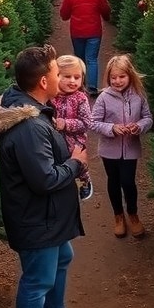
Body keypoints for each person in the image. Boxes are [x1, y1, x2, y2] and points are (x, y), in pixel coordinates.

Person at [0, 43, 96, 308]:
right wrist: (75, 163)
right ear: (44, 81)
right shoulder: (29, 127)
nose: (61, 77)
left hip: (48, 216)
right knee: (37, 279)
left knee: (63, 258)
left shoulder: (35, 110)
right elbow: (44, 179)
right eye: (57, 73)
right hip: (36, 218)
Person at [90, 53, 153, 239]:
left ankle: (133, 215)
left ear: (130, 76)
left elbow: (148, 118)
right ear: (108, 78)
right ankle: (118, 216)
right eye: (113, 77)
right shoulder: (104, 98)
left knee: (128, 182)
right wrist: (112, 128)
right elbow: (93, 122)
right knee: (114, 181)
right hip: (109, 150)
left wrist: (139, 126)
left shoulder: (139, 96)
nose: (117, 81)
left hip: (131, 149)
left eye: (122, 77)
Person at [59, 0, 111, 97]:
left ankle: (79, 86)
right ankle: (92, 88)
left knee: (79, 59)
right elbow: (106, 10)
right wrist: (106, 16)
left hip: (77, 32)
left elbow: (64, 15)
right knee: (92, 59)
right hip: (94, 32)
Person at [51, 54, 94, 202]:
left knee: (78, 160)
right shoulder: (52, 96)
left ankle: (85, 180)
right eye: (67, 76)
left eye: (77, 77)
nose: (72, 81)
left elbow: (87, 122)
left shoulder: (80, 98)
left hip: (75, 139)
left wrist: (66, 124)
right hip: (55, 138)